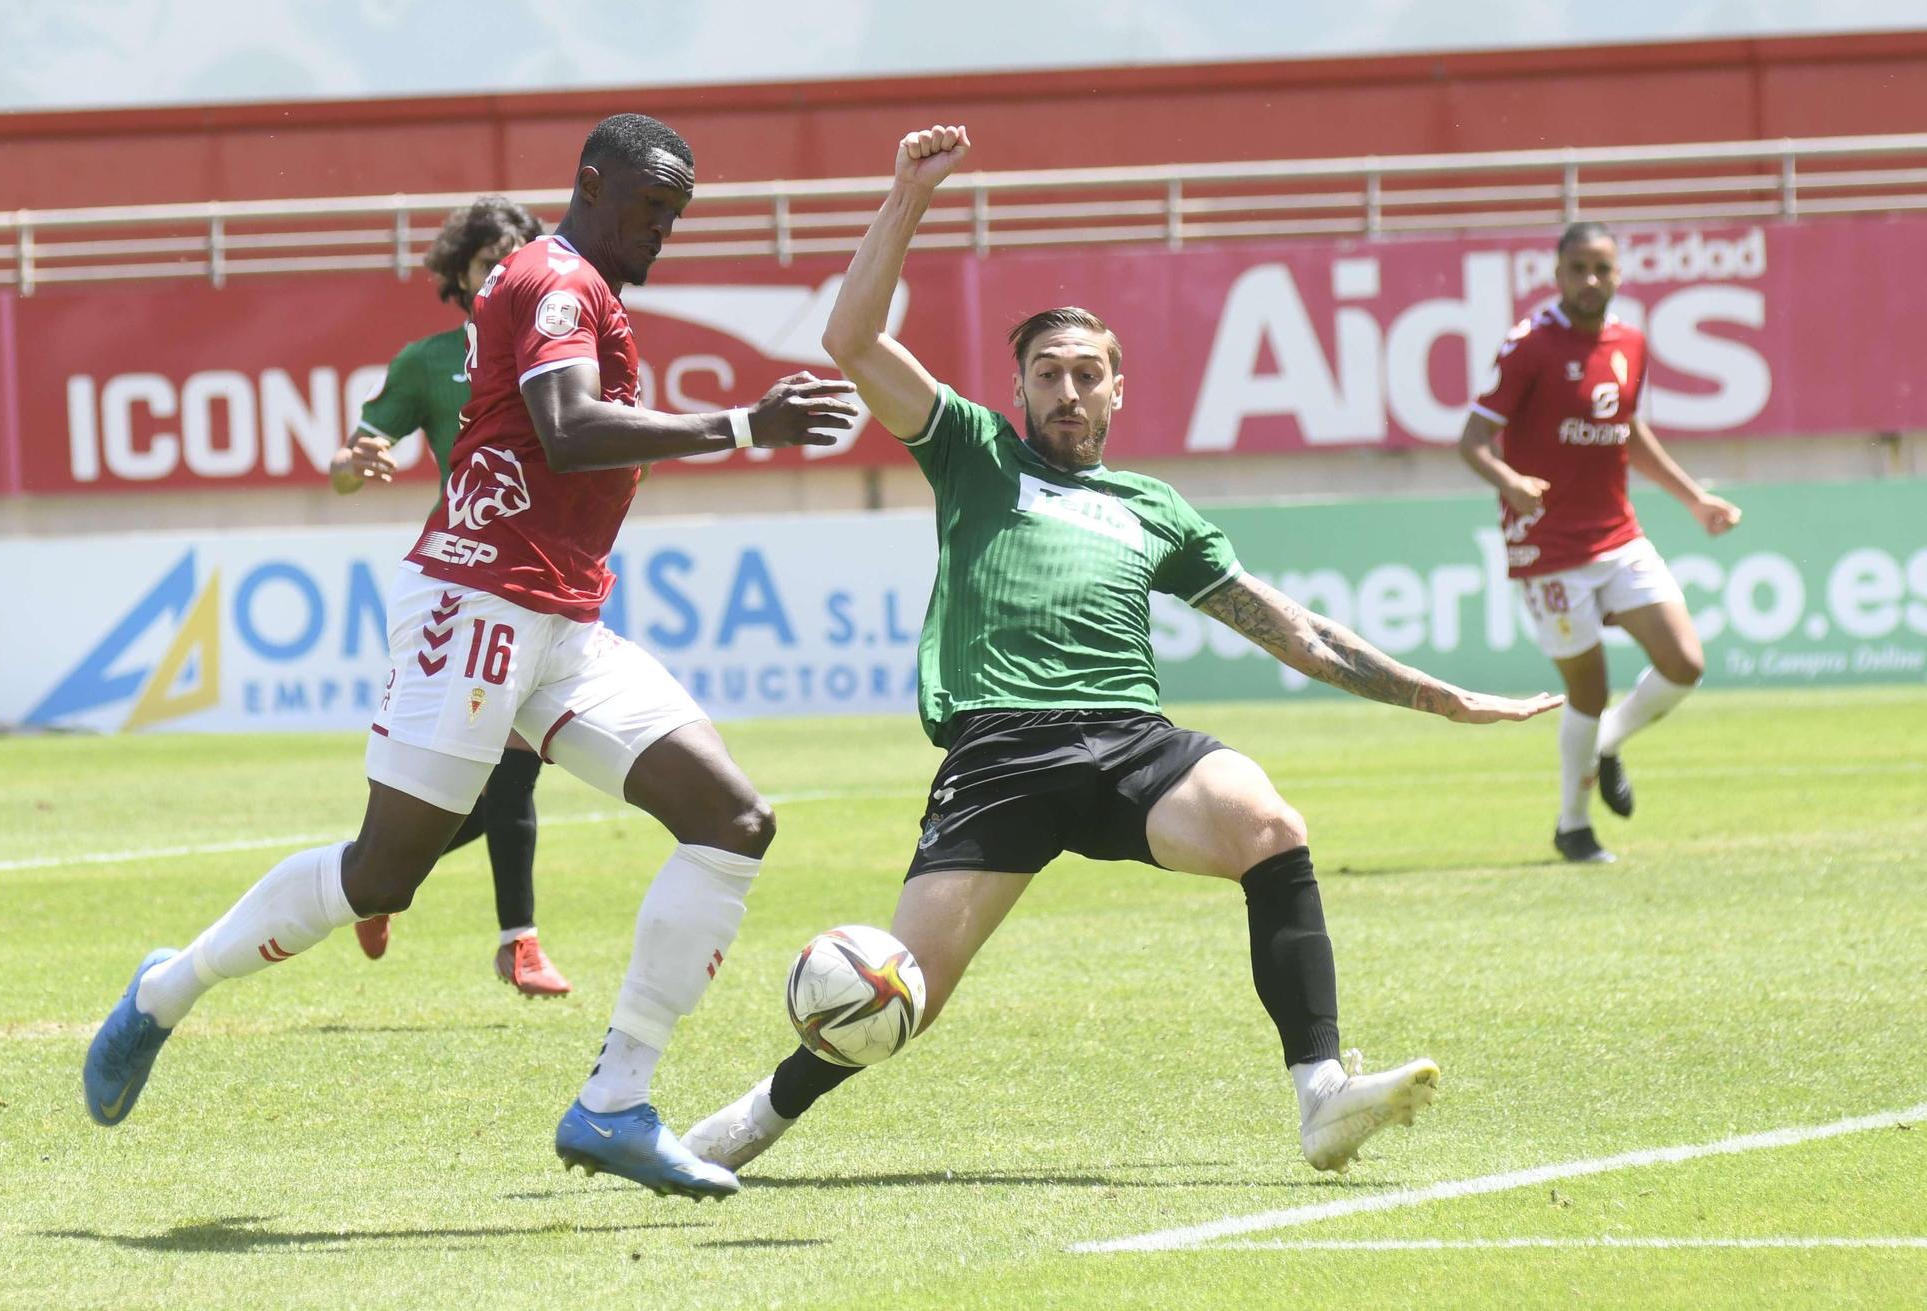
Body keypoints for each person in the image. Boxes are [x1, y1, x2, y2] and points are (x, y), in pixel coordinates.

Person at [680, 125, 1561, 1178]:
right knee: (903, 990)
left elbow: (1297, 630)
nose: (1063, 390)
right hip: (1001, 752)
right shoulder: (974, 454)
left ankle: (1321, 1095)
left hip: (1132, 745)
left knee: (1268, 825)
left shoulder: (1154, 511)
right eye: (1044, 373)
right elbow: (854, 340)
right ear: (1017, 393)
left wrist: (1438, 699)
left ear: (1115, 390)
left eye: (1083, 373)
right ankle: (748, 1124)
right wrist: (907, 196)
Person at [83, 112, 859, 1202]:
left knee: (732, 820)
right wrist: (742, 426)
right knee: (380, 874)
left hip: (562, 623)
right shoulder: (554, 280)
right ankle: (165, 990)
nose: (663, 230)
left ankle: (614, 1106)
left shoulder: (584, 283)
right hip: (476, 602)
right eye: (650, 208)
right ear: (592, 185)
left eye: (676, 215)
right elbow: (567, 428)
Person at [328, 195, 571, 998]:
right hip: (470, 586)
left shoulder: (555, 351)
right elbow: (351, 456)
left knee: (503, 781)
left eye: (515, 259)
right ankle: (517, 940)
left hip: (552, 579)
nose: (501, 274)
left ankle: (378, 875)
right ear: (459, 278)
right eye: (485, 264)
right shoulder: (429, 363)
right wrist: (353, 466)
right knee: (510, 775)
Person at [1458, 220, 1742, 864]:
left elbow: (1627, 430)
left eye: (1603, 268)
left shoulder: (1631, 342)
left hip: (1618, 535)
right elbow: (1471, 440)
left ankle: (1608, 741)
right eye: (1579, 268)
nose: (1591, 280)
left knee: (1685, 663)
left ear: (1618, 275)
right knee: (1587, 689)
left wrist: (1694, 498)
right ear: (1557, 275)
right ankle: (1573, 825)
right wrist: (1510, 482)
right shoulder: (1529, 344)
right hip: (1548, 547)